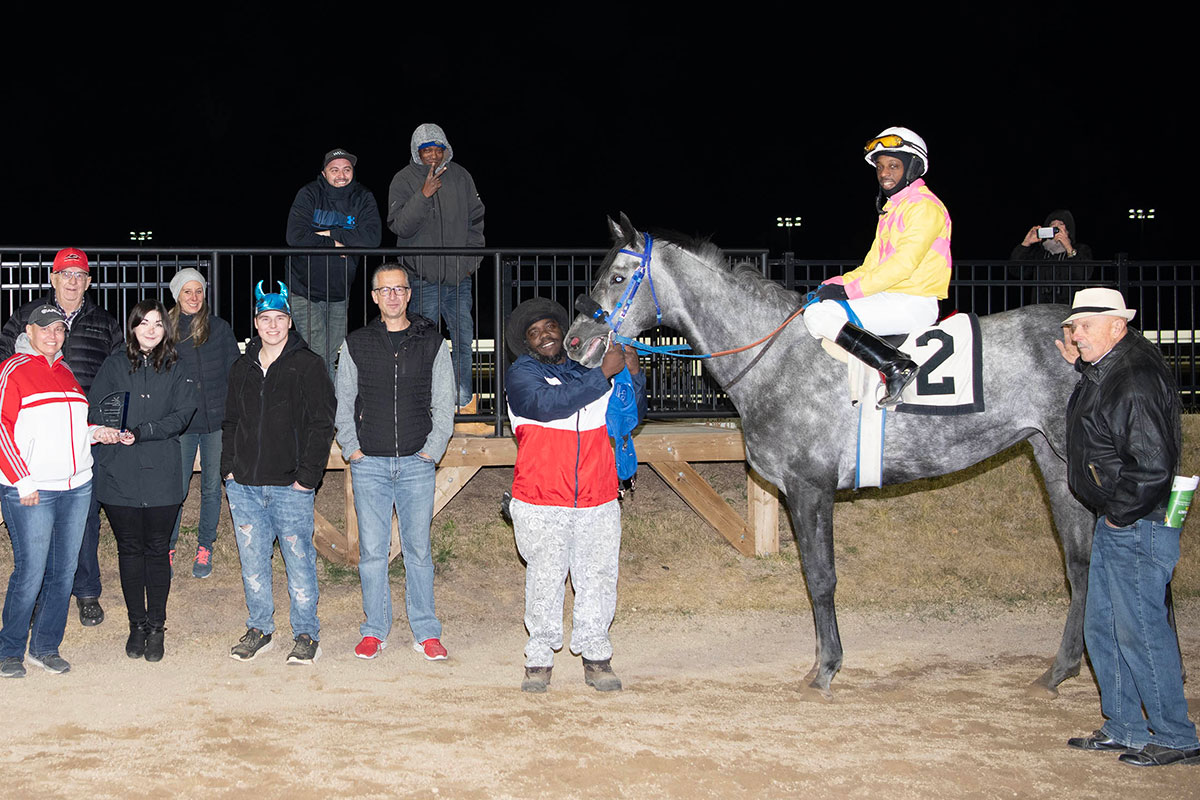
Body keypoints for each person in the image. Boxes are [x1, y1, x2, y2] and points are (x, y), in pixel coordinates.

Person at [1056, 288, 1199, 767]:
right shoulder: (1114, 367)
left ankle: (1177, 738)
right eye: (1073, 327)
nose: (1076, 335)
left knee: (1139, 630)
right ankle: (1126, 728)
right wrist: (1082, 366)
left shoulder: (1132, 378)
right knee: (1105, 627)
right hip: (1121, 517)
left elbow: (1153, 465)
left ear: (1118, 325)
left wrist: (1118, 513)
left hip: (1137, 520)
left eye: (1086, 327)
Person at [504, 298, 646, 692]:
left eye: (550, 328)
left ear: (563, 334)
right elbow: (547, 405)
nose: (543, 336)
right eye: (533, 334)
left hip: (598, 494)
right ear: (527, 344)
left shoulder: (589, 369)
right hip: (540, 497)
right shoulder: (521, 376)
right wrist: (603, 373)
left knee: (598, 578)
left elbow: (629, 413)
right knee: (545, 579)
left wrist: (632, 373)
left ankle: (597, 657)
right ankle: (539, 658)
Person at [335, 263, 455, 661]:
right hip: (369, 463)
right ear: (374, 297)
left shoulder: (432, 343)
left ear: (408, 294)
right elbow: (344, 402)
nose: (392, 296)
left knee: (419, 551)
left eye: (399, 289)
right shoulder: (356, 343)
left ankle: (426, 630)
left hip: (416, 464)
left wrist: (432, 451)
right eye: (384, 290)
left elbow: (444, 404)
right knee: (372, 553)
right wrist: (352, 449)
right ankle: (374, 629)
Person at [0, 247, 123, 628]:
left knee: (83, 519)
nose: (72, 281)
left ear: (88, 281)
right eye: (65, 275)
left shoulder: (105, 322)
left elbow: (120, 371)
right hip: (34, 438)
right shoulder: (27, 318)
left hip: (83, 434)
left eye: (79, 275)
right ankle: (36, 598)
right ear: (53, 279)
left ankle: (86, 592)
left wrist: (104, 422)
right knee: (38, 527)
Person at [223, 282, 336, 665]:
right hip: (246, 487)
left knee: (299, 562)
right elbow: (230, 421)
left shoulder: (308, 364)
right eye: (265, 318)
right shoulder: (242, 367)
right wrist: (228, 471)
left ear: (290, 321)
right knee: (253, 563)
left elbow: (323, 423)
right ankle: (260, 628)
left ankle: (306, 633)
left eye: (280, 318)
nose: (272, 325)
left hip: (291, 486)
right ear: (256, 323)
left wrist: (307, 476)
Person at [803, 126, 952, 407]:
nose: (885, 173)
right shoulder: (893, 210)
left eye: (894, 166)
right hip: (892, 298)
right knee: (817, 311)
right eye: (880, 167)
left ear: (912, 168)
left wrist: (847, 293)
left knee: (818, 317)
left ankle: (896, 366)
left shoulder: (924, 207)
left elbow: (902, 265)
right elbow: (871, 266)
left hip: (914, 303)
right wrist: (833, 285)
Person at [88, 300, 197, 662]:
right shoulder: (114, 363)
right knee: (129, 551)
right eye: (143, 323)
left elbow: (183, 414)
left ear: (166, 329)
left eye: (158, 323)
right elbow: (95, 407)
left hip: (162, 473)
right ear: (132, 327)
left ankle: (157, 626)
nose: (151, 329)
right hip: (119, 474)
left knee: (157, 550)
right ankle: (136, 624)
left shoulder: (177, 366)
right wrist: (104, 430)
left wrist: (144, 430)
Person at [387, 123, 485, 411]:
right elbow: (400, 226)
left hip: (458, 279)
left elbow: (476, 221)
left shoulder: (462, 176)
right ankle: (423, 404)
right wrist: (424, 194)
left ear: (446, 150)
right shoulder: (403, 179)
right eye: (426, 150)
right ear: (417, 152)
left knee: (463, 340)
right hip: (420, 280)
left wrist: (469, 264)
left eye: (437, 149)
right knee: (421, 344)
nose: (432, 155)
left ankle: (461, 402)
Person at [166, 268, 240, 578]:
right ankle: (166, 547)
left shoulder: (220, 328)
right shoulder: (166, 330)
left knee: (211, 487)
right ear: (177, 295)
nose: (194, 297)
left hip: (215, 423)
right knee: (175, 488)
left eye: (199, 291)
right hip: (182, 424)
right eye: (187, 291)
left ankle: (205, 545)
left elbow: (234, 371)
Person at [286, 147, 382, 380]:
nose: (341, 175)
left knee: (330, 353)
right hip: (303, 288)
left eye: (346, 169)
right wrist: (338, 245)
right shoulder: (309, 194)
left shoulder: (363, 197)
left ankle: (320, 407)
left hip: (339, 292)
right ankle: (326, 410)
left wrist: (330, 234)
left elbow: (372, 238)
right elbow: (295, 236)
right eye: (335, 169)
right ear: (324, 173)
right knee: (316, 351)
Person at [1010, 209, 1094, 304]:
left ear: (1068, 229)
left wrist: (1068, 247)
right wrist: (1026, 243)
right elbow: (1016, 271)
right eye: (1052, 224)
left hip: (1069, 309)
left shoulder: (1081, 249)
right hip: (1041, 309)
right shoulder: (1040, 253)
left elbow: (1083, 274)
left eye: (1061, 224)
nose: (1056, 226)